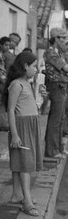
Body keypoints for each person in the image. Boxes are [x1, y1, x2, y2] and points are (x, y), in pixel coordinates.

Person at [3, 51, 42, 216]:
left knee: (22, 161)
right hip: (21, 126)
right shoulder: (16, 84)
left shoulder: (27, 83)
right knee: (25, 163)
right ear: (25, 66)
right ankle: (27, 200)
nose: (37, 70)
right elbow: (10, 110)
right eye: (34, 66)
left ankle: (16, 195)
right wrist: (15, 134)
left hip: (30, 125)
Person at [43, 27, 68, 159]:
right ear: (56, 39)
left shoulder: (59, 52)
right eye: (62, 38)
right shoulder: (51, 52)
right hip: (56, 86)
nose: (65, 40)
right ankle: (52, 151)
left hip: (62, 86)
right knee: (56, 119)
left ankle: (57, 148)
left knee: (60, 118)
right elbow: (65, 67)